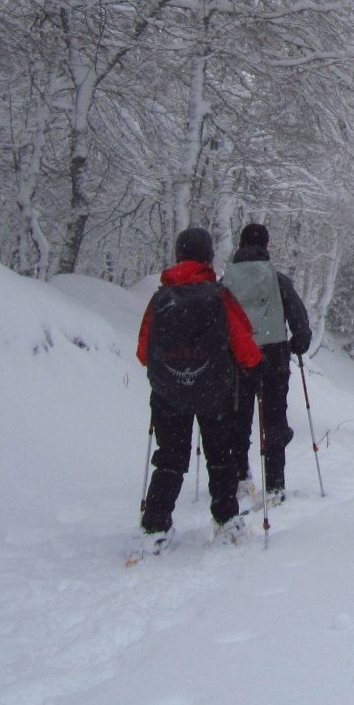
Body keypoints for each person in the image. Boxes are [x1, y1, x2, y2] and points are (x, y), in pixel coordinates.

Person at [135, 226, 262, 555]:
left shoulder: (160, 298)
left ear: (178, 255)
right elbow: (245, 345)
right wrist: (253, 368)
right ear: (208, 257)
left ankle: (155, 527)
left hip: (168, 393)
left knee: (170, 460)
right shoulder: (218, 295)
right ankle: (227, 522)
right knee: (220, 457)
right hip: (214, 392)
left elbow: (142, 351)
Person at [221, 222, 313, 507]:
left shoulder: (226, 281)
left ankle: (240, 478)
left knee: (239, 421)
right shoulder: (278, 279)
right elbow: (299, 319)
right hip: (274, 357)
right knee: (273, 421)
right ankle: (274, 484)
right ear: (266, 246)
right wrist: (299, 344)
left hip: (238, 358)